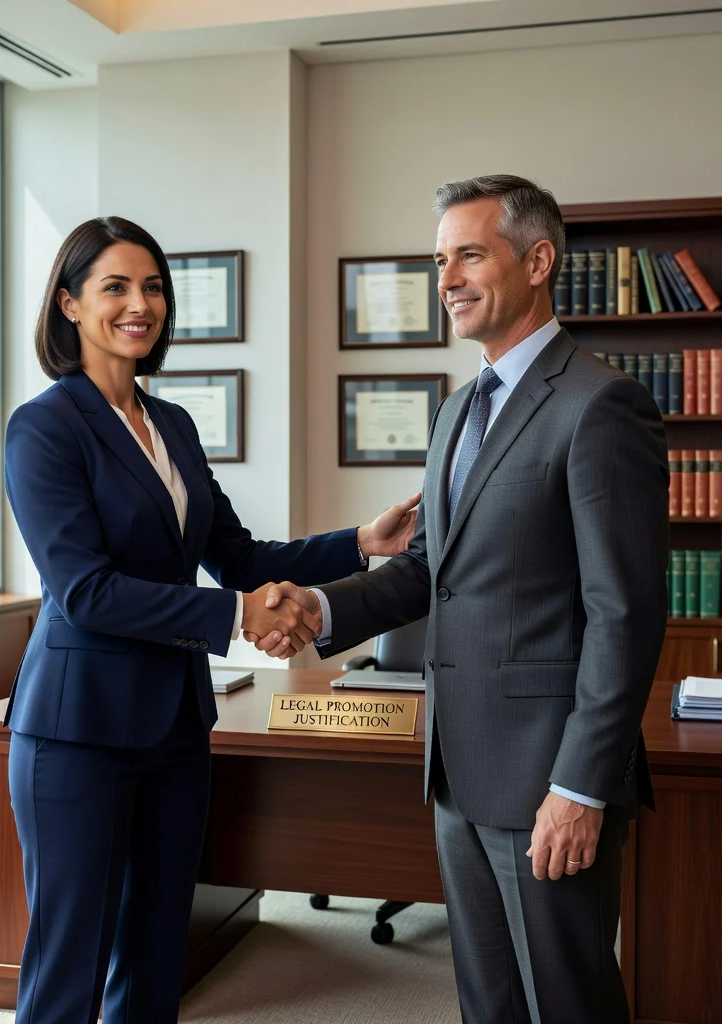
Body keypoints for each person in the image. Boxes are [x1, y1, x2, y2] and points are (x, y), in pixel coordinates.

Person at [258, 175, 669, 1024]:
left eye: (469, 255)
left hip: (550, 777)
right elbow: (428, 570)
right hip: (456, 769)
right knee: (489, 1006)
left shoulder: (601, 405)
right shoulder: (456, 413)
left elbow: (624, 615)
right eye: (440, 259)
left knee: (570, 1002)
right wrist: (319, 609)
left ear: (538, 260)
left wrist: (581, 788)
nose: (446, 278)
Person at [3, 215, 419, 1024]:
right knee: (70, 965)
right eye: (115, 287)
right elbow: (85, 591)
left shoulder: (174, 426)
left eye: (153, 287)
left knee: (158, 953)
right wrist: (238, 615)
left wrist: (359, 542)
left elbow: (234, 551)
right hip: (76, 733)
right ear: (68, 305)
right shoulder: (45, 427)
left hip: (175, 725)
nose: (140, 304)